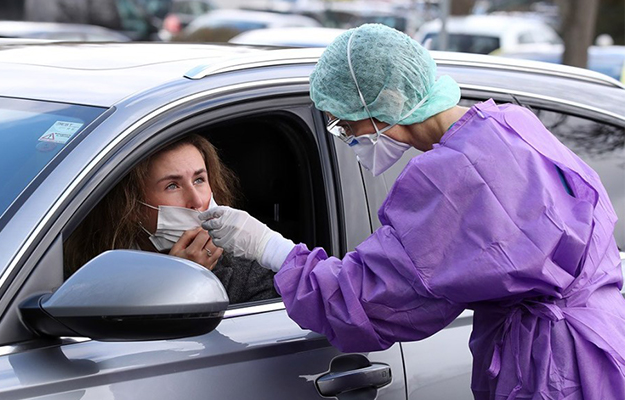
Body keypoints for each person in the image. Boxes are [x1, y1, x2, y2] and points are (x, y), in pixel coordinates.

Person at [199, 24, 625, 399]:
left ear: (389, 100)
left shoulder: (451, 178)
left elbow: (367, 299)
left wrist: (268, 245)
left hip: (553, 370)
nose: (346, 136)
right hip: (603, 344)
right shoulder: (509, 124)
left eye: (346, 124)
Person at [65, 134, 277, 304]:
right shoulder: (88, 266)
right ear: (132, 206)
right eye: (172, 186)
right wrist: (173, 280)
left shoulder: (248, 272)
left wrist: (194, 280)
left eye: (199, 180)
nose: (196, 200)